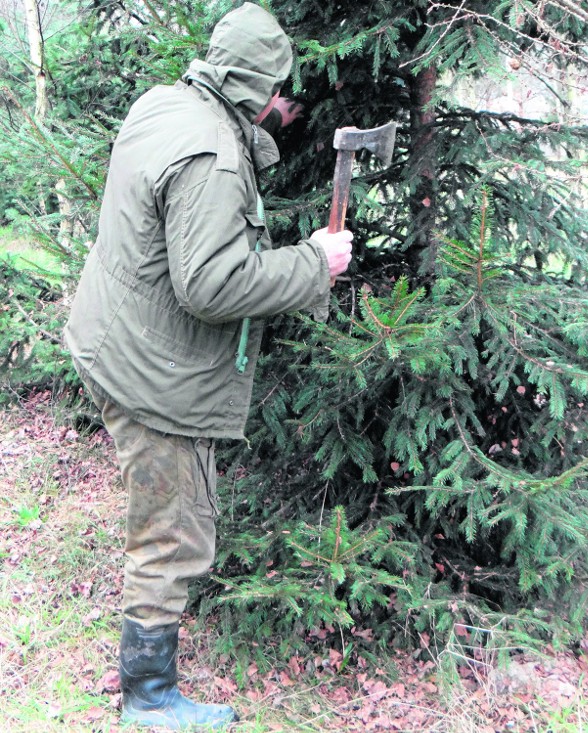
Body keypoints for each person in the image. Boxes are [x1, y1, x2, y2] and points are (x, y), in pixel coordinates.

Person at [64, 3, 353, 729]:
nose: (287, 105)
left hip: (112, 341)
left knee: (166, 518)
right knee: (173, 530)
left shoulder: (165, 103)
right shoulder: (216, 156)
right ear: (258, 87)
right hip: (153, 377)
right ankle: (149, 698)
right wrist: (314, 263)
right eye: (282, 92)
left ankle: (147, 687)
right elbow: (212, 284)